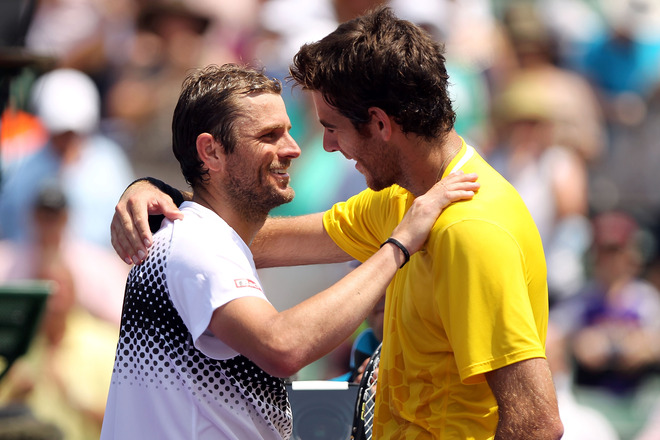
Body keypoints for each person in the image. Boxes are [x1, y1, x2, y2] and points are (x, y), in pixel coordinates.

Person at [109, 8, 562, 439]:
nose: (322, 147)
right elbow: (247, 242)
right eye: (272, 135)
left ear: (380, 124)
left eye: (332, 127)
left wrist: (398, 247)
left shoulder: (471, 230)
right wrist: (166, 198)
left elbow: (535, 424)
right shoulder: (405, 202)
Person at [100, 63, 478, 439]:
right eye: (269, 135)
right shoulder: (193, 244)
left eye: (289, 132)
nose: (294, 148)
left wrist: (354, 392)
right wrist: (399, 246)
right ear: (211, 152)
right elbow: (283, 347)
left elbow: (245, 405)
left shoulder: (203, 236)